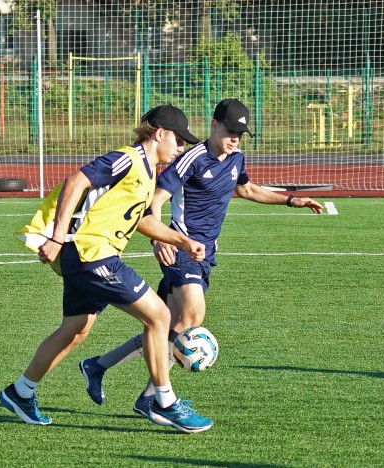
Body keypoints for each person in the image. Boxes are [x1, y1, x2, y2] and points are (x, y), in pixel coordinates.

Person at [79, 98, 324, 416]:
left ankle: (99, 366)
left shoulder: (236, 158)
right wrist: (157, 239)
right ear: (214, 125)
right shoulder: (192, 158)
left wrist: (292, 200)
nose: (235, 137)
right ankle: (155, 398)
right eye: (231, 130)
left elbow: (248, 190)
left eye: (241, 133)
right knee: (192, 317)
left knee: (168, 325)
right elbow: (156, 198)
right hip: (181, 250)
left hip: (205, 255)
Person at [0, 104, 214, 434]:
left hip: (86, 256)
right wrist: (57, 236)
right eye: (179, 140)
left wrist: (182, 242)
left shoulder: (147, 171)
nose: (181, 148)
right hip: (91, 254)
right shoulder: (127, 159)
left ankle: (20, 391)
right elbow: (75, 182)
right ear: (161, 134)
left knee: (76, 329)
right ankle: (164, 402)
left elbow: (142, 219)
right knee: (159, 317)